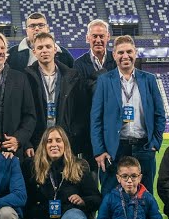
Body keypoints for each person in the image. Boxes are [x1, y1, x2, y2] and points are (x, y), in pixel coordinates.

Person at [90, 35, 166, 195]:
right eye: (121, 52)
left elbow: (159, 114)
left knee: (144, 196)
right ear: (114, 55)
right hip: (114, 149)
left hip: (143, 147)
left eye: (129, 51)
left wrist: (155, 143)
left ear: (136, 53)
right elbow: (96, 118)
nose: (125, 56)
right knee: (110, 195)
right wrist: (99, 151)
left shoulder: (149, 80)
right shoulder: (104, 81)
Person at [23, 31, 90, 159]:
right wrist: (27, 142)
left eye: (48, 47)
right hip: (37, 141)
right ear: (34, 52)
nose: (44, 50)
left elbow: (81, 111)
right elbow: (22, 112)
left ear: (55, 49)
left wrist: (73, 135)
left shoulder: (72, 76)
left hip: (65, 141)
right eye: (40, 48)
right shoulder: (26, 77)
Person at [7, 12, 75, 70]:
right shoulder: (12, 54)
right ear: (27, 31)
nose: (36, 28)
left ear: (47, 29)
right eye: (32, 26)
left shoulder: (64, 54)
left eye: (41, 25)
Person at [71, 19, 116, 99]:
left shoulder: (116, 60)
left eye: (101, 36)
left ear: (108, 37)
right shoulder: (79, 64)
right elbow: (79, 92)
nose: (98, 40)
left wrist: (90, 81)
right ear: (87, 38)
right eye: (94, 36)